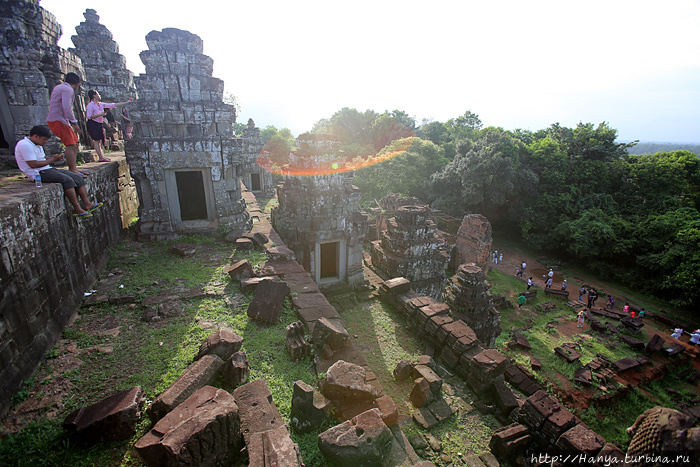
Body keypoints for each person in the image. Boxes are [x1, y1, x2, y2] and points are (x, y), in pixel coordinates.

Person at [14, 125, 102, 218]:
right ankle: (77, 208)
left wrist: (54, 158)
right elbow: (33, 164)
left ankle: (87, 203)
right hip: (37, 173)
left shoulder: (37, 144)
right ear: (35, 136)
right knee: (67, 180)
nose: (45, 142)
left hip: (47, 169)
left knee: (77, 178)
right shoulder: (25, 145)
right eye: (44, 139)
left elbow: (42, 159)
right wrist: (52, 160)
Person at [47, 72, 84, 176]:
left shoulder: (60, 87)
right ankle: (72, 169)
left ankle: (74, 168)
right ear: (77, 84)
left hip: (61, 120)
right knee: (70, 144)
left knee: (75, 143)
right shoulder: (67, 89)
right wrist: (74, 122)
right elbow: (66, 107)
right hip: (58, 119)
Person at [86, 90, 131, 162]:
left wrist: (126, 102)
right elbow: (88, 116)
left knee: (100, 140)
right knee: (96, 140)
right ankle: (101, 157)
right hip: (93, 123)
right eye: (98, 94)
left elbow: (113, 105)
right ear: (94, 95)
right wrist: (100, 115)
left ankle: (102, 156)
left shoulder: (100, 104)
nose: (99, 95)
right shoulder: (90, 105)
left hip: (99, 123)